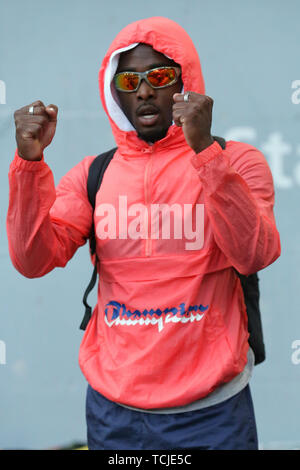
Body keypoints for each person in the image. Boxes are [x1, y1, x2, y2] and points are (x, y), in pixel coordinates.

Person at [7, 17, 281, 450]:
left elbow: (254, 253)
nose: (145, 91)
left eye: (159, 76)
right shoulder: (93, 174)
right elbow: (32, 260)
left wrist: (205, 153)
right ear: (115, 92)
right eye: (129, 80)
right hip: (115, 412)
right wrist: (29, 166)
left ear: (185, 82)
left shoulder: (237, 161)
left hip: (212, 411)